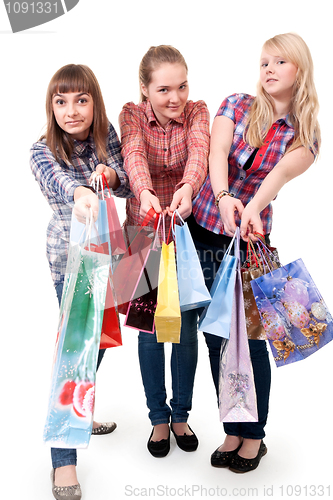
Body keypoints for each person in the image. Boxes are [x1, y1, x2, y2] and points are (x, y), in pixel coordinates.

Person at [188, 32, 320, 473]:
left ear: (299, 70)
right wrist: (225, 197)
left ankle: (254, 435)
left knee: (249, 340)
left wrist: (251, 210)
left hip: (247, 244)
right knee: (214, 338)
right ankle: (231, 426)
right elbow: (217, 151)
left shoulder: (305, 136)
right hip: (204, 230)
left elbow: (277, 177)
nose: (268, 69)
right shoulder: (237, 104)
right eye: (264, 61)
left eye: (279, 62)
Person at [30, 64, 131, 499]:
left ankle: (81, 407)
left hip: (115, 255)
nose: (71, 111)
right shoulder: (40, 150)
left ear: (94, 102)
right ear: (51, 107)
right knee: (75, 351)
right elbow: (60, 183)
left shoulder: (106, 138)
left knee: (99, 341)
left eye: (81, 100)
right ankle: (63, 463)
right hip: (72, 262)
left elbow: (126, 179)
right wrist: (82, 191)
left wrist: (110, 175)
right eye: (61, 101)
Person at [119, 45, 210, 457]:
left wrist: (188, 189)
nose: (176, 98)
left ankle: (181, 415)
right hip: (142, 230)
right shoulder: (132, 115)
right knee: (150, 329)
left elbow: (199, 152)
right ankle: (158, 418)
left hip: (183, 231)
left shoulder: (197, 111)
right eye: (164, 90)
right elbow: (133, 154)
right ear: (145, 90)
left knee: (185, 328)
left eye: (182, 86)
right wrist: (145, 194)